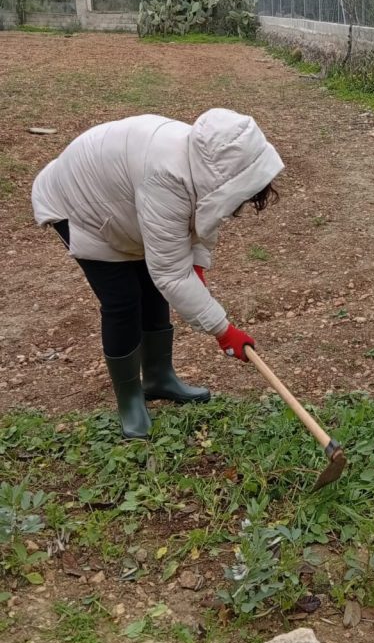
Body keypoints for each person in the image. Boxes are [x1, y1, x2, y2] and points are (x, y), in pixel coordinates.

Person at [32, 108, 283, 439]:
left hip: (122, 201)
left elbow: (202, 218)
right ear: (224, 179)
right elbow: (170, 273)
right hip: (81, 206)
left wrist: (196, 265)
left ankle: (158, 378)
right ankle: (130, 399)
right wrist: (223, 331)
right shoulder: (167, 177)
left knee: (153, 289)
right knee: (123, 300)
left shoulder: (202, 163)